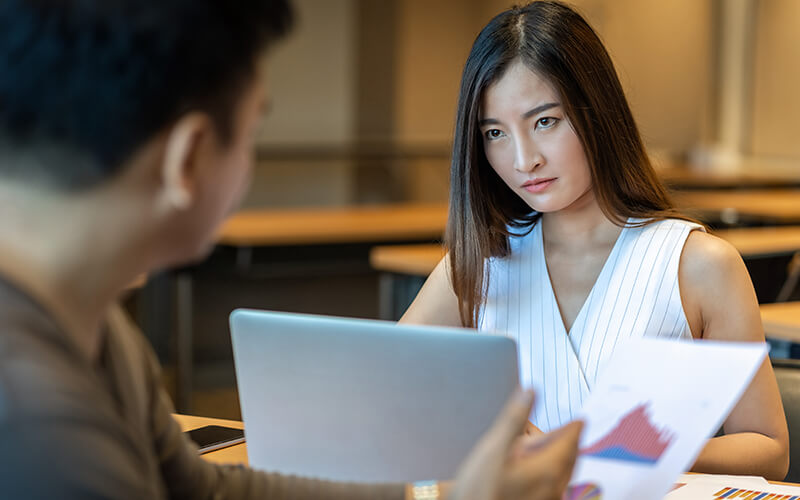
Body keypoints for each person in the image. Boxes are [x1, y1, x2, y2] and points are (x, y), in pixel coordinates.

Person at [0, 0, 585, 498]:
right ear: (190, 157)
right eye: (255, 132)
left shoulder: (96, 333)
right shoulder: (40, 425)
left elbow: (213, 491)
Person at [400, 0, 789, 480]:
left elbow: (769, 450)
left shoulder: (698, 265)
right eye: (496, 133)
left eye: (545, 121)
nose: (524, 160)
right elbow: (388, 384)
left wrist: (599, 453)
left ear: (598, 112)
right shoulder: (480, 264)